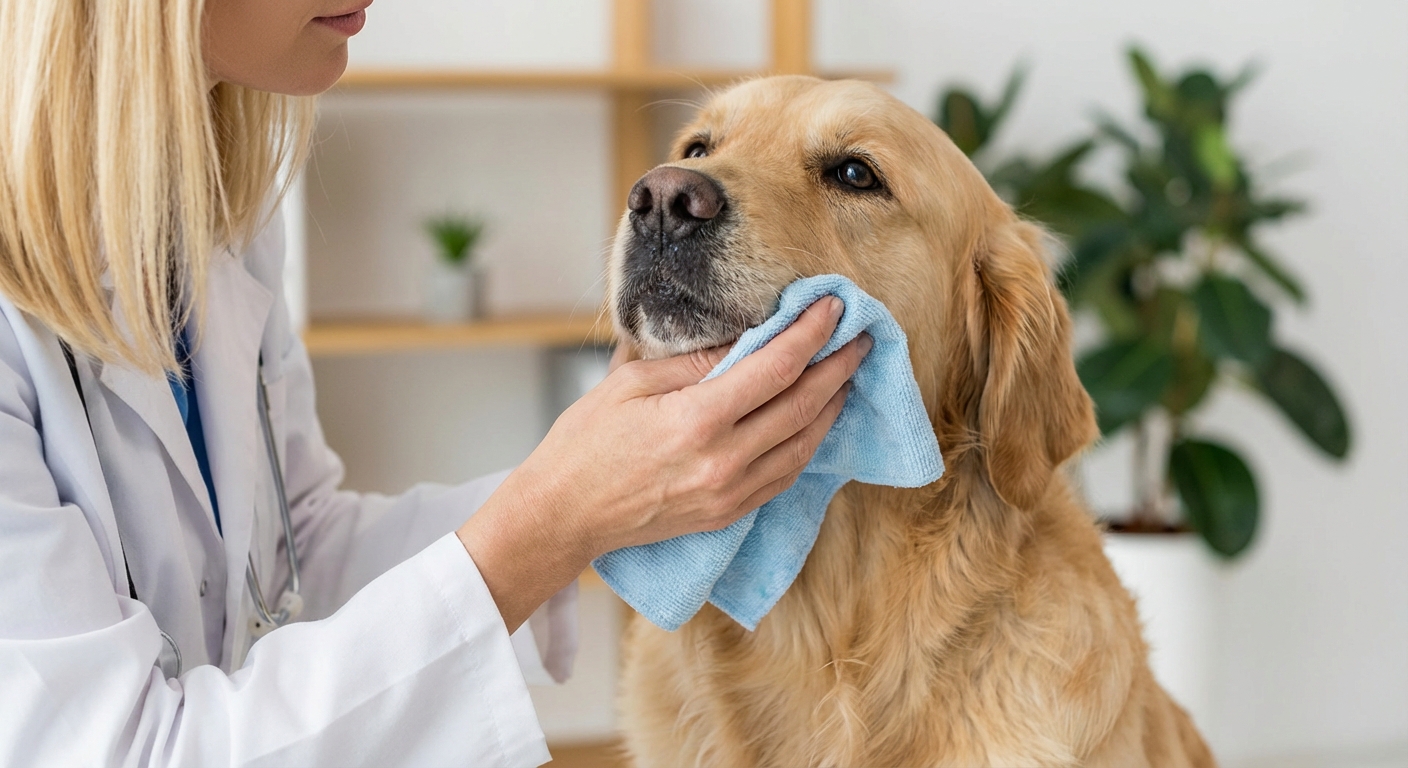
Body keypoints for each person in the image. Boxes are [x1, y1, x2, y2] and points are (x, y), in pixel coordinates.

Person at [0, 0, 868, 765]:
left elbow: (295, 556)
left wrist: (605, 490)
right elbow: (118, 750)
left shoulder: (220, 223)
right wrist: (557, 517)